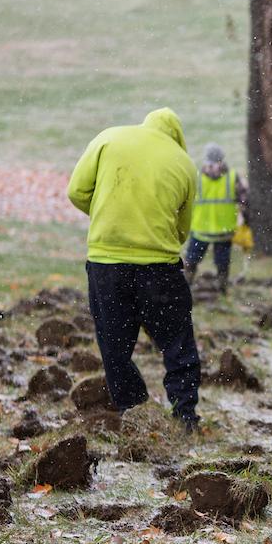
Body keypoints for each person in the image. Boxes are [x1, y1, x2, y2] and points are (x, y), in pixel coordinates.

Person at [66, 108, 201, 429]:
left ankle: (134, 408)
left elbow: (76, 192)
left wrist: (107, 214)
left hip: (106, 265)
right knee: (177, 342)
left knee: (114, 345)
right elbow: (183, 230)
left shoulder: (108, 138)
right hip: (159, 269)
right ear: (177, 138)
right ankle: (185, 414)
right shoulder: (183, 163)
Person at [183, 144, 248, 293]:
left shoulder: (196, 177)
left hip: (200, 228)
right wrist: (247, 219)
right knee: (222, 262)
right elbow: (244, 199)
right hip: (224, 230)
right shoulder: (232, 176)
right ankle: (222, 288)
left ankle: (186, 286)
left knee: (191, 260)